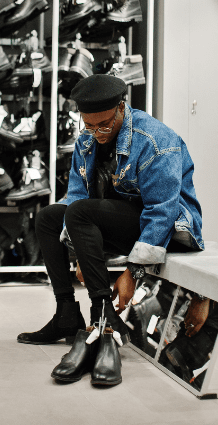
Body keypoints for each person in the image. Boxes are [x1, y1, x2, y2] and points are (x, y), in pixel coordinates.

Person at [17, 74, 204, 346]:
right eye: (89, 126)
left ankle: (102, 313)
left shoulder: (155, 140)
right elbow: (77, 195)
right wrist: (80, 252)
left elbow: (162, 212)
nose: (97, 133)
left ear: (121, 107)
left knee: (81, 213)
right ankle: (66, 313)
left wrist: (133, 272)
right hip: (124, 222)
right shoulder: (87, 140)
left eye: (104, 125)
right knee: (49, 218)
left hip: (170, 229)